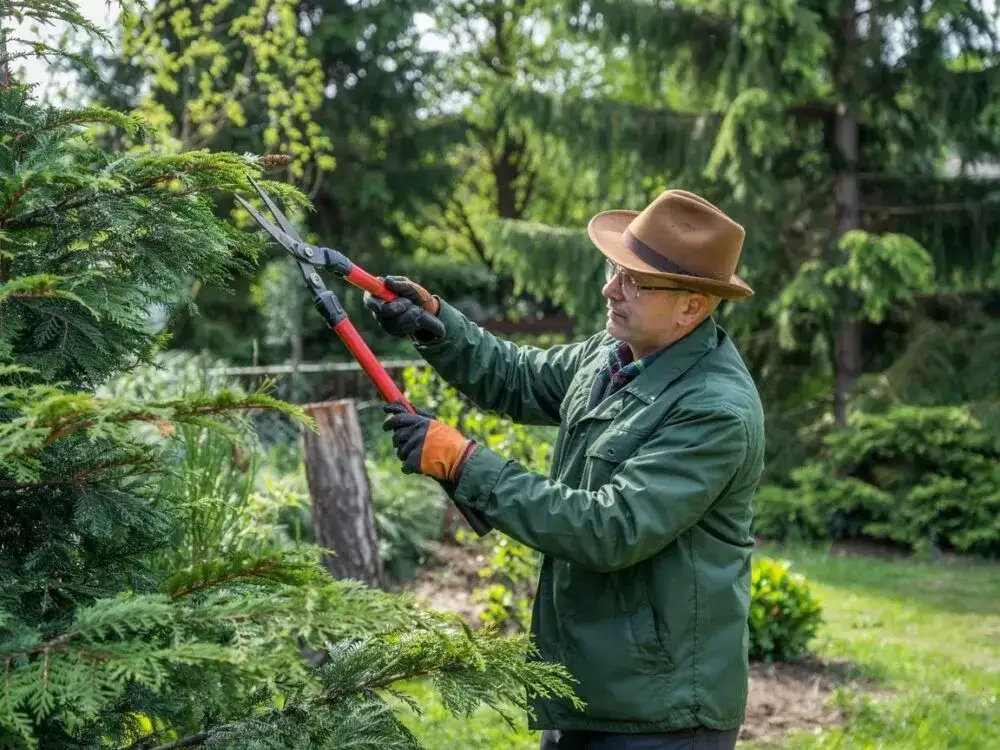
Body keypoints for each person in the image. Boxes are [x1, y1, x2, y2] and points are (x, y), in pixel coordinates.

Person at [364, 189, 765, 750]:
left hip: (663, 715)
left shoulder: (713, 409)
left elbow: (611, 528)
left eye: (634, 280)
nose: (609, 289)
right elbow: (519, 376)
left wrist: (464, 463)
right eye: (614, 269)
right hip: (593, 685)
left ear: (691, 307)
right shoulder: (615, 352)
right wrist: (435, 323)